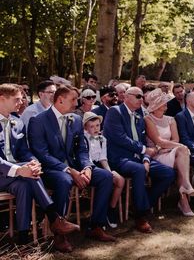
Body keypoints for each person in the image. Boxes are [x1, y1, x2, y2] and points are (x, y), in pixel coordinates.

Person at [28, 85, 115, 252]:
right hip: (50, 170)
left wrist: (87, 167)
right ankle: (59, 234)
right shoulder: (38, 121)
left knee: (105, 176)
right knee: (64, 180)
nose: (77, 103)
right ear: (60, 100)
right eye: (73, 99)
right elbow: (42, 154)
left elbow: (81, 149)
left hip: (76, 167)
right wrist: (69, 171)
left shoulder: (75, 119)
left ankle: (95, 226)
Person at [0, 84, 80, 246]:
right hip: (3, 173)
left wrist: (33, 161)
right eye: (17, 99)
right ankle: (54, 218)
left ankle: (23, 240)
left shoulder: (17, 121)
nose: (22, 102)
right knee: (29, 175)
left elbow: (24, 151)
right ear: (2, 99)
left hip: (18, 175)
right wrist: (19, 169)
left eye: (22, 98)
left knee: (26, 182)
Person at [102, 86, 175, 233]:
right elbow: (120, 138)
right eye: (138, 96)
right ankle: (141, 217)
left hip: (139, 158)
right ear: (126, 97)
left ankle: (143, 204)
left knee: (168, 173)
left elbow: (144, 142)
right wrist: (144, 152)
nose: (142, 99)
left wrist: (147, 158)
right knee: (139, 170)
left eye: (142, 97)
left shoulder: (139, 115)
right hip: (119, 159)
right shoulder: (114, 112)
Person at [144, 88, 194, 217]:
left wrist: (176, 146)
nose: (166, 104)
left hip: (171, 151)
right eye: (163, 102)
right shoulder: (148, 119)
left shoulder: (171, 119)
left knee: (181, 155)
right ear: (157, 106)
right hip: (158, 154)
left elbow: (175, 139)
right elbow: (159, 141)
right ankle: (184, 196)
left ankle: (184, 194)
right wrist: (179, 146)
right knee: (182, 153)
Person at [83, 112, 125, 228]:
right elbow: (86, 158)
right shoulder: (83, 139)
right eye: (92, 126)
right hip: (89, 166)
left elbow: (103, 158)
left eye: (97, 125)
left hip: (100, 165)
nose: (96, 128)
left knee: (119, 180)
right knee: (104, 179)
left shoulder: (102, 139)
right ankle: (98, 217)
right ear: (85, 128)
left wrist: (109, 171)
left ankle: (111, 209)